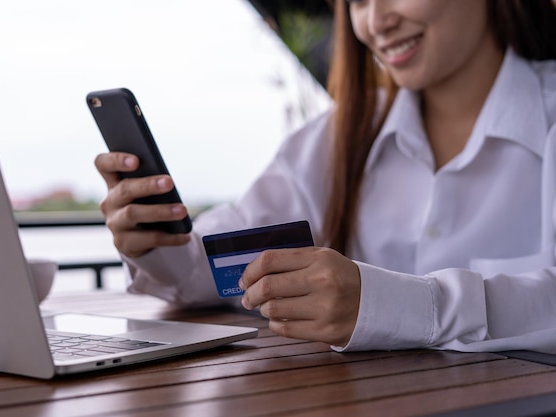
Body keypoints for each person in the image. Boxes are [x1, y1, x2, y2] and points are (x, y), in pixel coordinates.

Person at [95, 0, 556, 353]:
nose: (375, 22)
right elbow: (222, 263)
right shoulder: (336, 138)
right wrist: (158, 241)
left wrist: (393, 305)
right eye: (356, 1)